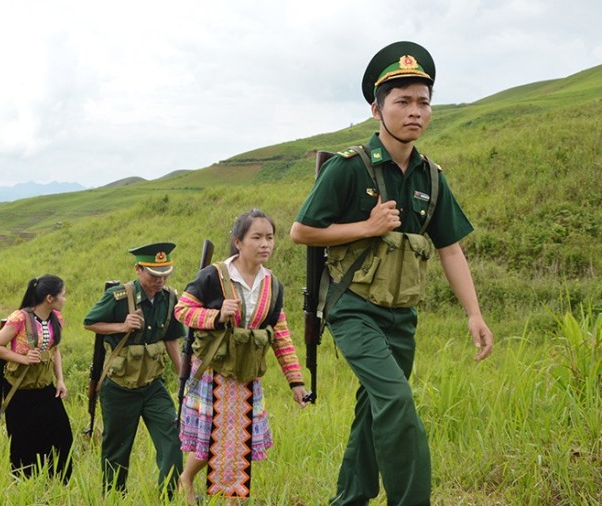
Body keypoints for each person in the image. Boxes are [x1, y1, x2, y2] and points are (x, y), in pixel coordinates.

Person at [290, 41, 494, 505]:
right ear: (376, 108)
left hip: (402, 317)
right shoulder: (347, 169)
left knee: (373, 412)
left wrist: (474, 314)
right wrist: (367, 226)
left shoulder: (431, 178)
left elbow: (451, 250)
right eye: (402, 101)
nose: (414, 111)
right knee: (398, 403)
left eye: (423, 102)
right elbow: (301, 232)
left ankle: (349, 500)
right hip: (353, 309)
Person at [174, 208, 308, 505]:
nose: (265, 244)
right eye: (257, 237)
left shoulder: (273, 285)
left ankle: (232, 499)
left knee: (240, 439)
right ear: (238, 242)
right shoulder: (213, 276)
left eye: (270, 237)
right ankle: (187, 479)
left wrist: (296, 381)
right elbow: (182, 310)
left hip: (246, 372)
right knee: (211, 437)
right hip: (213, 370)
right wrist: (216, 314)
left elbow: (280, 334)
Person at [83, 242, 185, 498]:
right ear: (138, 269)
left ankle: (168, 497)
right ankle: (114, 498)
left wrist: (185, 377)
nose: (160, 280)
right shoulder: (119, 296)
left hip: (153, 386)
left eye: (165, 273)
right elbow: (90, 322)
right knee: (116, 451)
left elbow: (172, 339)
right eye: (153, 274)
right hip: (119, 388)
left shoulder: (170, 297)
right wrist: (121, 326)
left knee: (173, 439)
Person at [0, 274, 73, 482]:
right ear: (49, 298)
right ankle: (25, 488)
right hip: (20, 392)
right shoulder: (19, 318)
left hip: (45, 388)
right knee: (24, 443)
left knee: (62, 437)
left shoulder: (56, 319)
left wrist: (60, 380)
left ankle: (57, 485)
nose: (65, 299)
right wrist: (23, 359)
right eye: (63, 295)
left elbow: (55, 351)